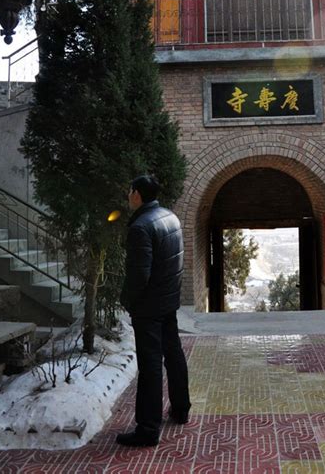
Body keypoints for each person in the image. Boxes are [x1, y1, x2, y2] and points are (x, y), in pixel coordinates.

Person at [116, 174, 191, 447]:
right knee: (173, 353)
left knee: (150, 366)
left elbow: (139, 274)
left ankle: (148, 428)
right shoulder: (170, 216)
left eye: (129, 191)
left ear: (137, 194)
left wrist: (127, 299)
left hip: (149, 305)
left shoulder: (141, 227)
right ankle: (181, 409)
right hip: (168, 300)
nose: (128, 196)